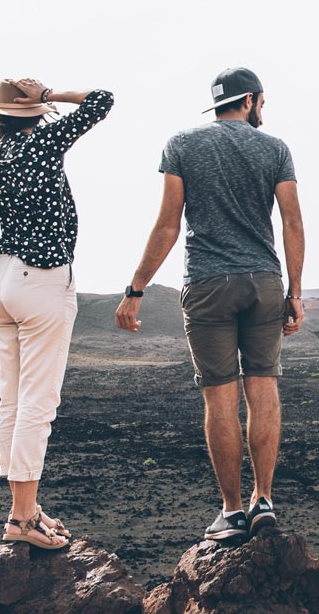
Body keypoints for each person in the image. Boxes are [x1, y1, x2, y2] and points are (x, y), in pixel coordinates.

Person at [115, 66, 304, 546]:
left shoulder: (181, 144)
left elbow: (167, 226)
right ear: (252, 100)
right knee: (263, 390)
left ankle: (232, 511)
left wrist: (136, 288)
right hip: (262, 282)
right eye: (263, 101)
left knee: (220, 397)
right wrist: (295, 293)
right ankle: (265, 499)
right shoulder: (275, 149)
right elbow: (292, 224)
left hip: (207, 284)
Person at [0, 77, 114, 550]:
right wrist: (50, 95)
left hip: (0, 282)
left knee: (11, 401)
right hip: (42, 280)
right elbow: (103, 100)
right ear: (32, 116)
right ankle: (24, 518)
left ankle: (21, 511)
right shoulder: (45, 143)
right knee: (37, 403)